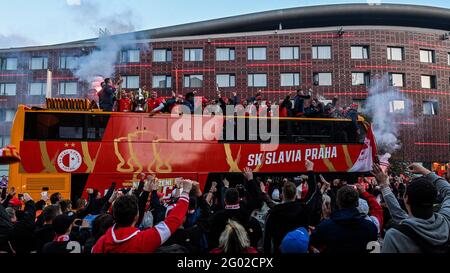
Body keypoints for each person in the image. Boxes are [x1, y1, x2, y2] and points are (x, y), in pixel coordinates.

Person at [92, 179, 193, 253]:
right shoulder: (144, 239)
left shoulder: (101, 243)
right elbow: (173, 221)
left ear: (114, 215)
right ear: (136, 216)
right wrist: (185, 192)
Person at [372, 163, 450, 253]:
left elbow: (400, 216)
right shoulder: (445, 221)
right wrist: (425, 171)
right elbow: (399, 215)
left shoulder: (395, 236)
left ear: (406, 198)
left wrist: (383, 184)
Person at [309, 185, 378, 253]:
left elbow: (315, 243)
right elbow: (374, 251)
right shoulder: (371, 227)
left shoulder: (325, 226)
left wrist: (326, 220)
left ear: (337, 202)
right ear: (357, 203)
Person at [264, 181, 308, 254]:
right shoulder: (303, 212)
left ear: (283, 195)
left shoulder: (273, 213)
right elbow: (305, 233)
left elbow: (267, 240)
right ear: (295, 195)